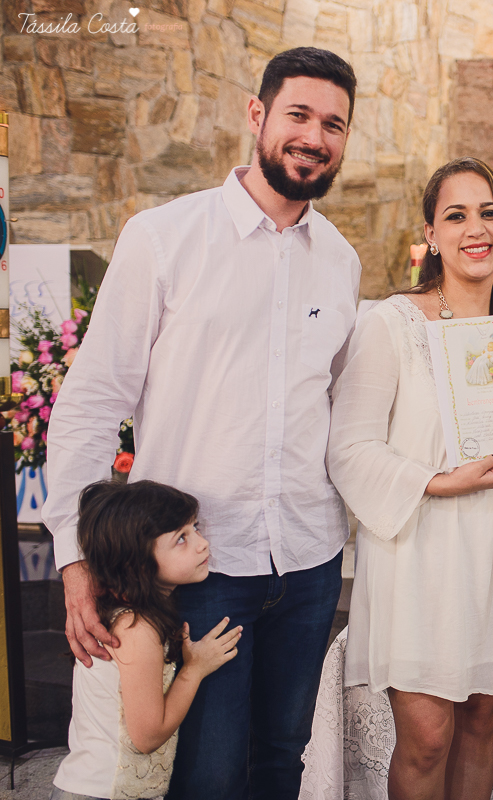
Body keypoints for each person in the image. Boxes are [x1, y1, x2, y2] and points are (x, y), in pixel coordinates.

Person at [44, 47, 361, 800]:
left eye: (334, 124)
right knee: (207, 777)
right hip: (195, 571)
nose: (315, 137)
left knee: (281, 761)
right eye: (299, 115)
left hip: (310, 564)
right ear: (257, 115)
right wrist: (75, 560)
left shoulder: (341, 262)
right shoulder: (163, 238)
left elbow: (341, 411)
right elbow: (91, 404)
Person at [326, 156, 493, 800]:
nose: (476, 229)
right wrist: (436, 483)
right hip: (419, 543)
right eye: (457, 215)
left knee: (480, 722)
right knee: (426, 737)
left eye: (489, 212)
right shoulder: (390, 323)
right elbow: (349, 446)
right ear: (431, 233)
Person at [52, 481, 241, 800]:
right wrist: (194, 670)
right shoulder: (137, 628)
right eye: (182, 538)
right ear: (137, 564)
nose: (202, 543)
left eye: (194, 528)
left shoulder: (126, 616)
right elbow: (147, 735)